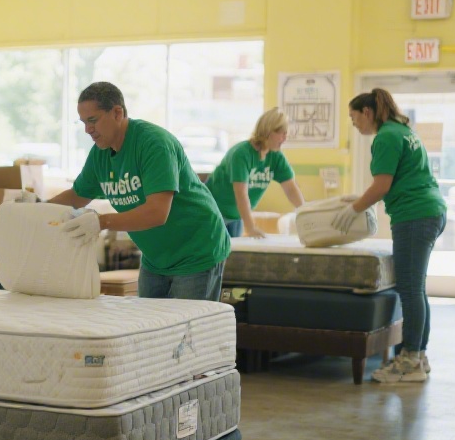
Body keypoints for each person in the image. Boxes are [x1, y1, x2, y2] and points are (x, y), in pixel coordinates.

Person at [49, 82, 231, 301]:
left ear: (117, 113)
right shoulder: (100, 154)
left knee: (186, 333)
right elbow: (77, 196)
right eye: (84, 123)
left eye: (93, 120)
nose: (87, 130)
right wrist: (38, 207)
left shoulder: (154, 144)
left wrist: (101, 222)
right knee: (150, 330)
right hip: (156, 258)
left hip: (195, 251)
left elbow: (157, 213)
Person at [334, 88, 446, 383]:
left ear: (367, 112)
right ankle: (418, 356)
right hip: (431, 209)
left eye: (354, 117)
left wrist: (355, 209)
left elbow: (383, 185)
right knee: (416, 288)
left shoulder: (385, 136)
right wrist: (358, 199)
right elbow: (397, 179)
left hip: (415, 215)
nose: (354, 124)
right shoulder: (404, 131)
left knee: (409, 289)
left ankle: (409, 361)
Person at [207, 108, 305, 238]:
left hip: (236, 216)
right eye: (281, 134)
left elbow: (291, 189)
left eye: (286, 134)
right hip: (213, 211)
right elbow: (241, 194)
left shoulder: (275, 156)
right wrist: (251, 227)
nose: (284, 138)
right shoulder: (241, 154)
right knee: (215, 254)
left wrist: (306, 213)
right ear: (268, 131)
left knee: (233, 254)